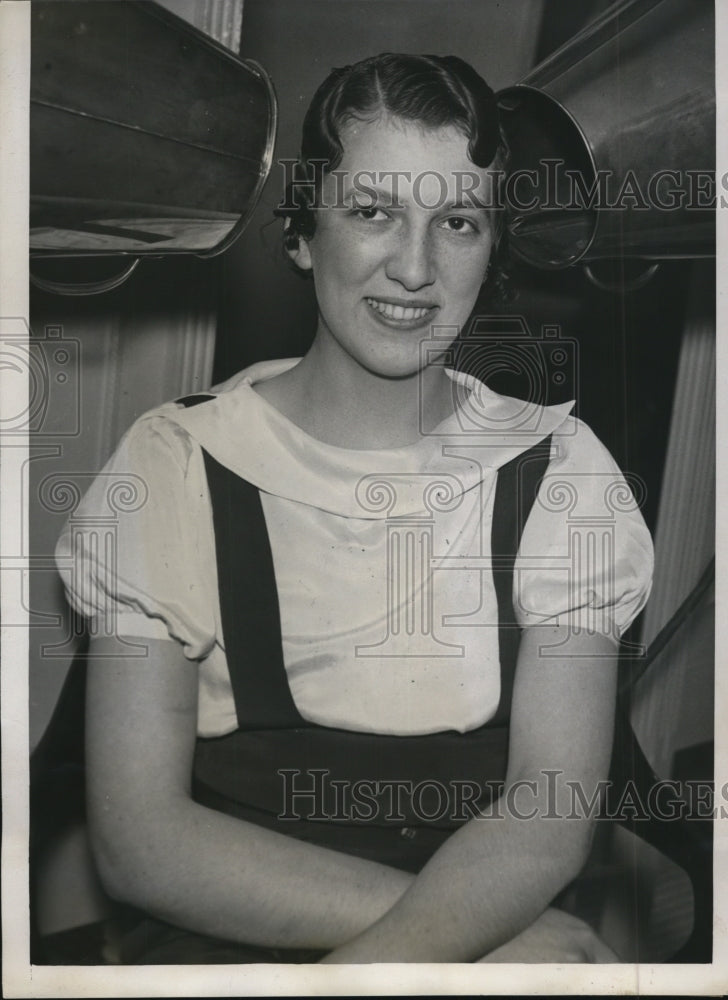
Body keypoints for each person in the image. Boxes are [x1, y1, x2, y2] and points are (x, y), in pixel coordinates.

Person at [55, 53, 653, 964]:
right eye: (372, 212)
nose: (413, 268)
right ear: (302, 232)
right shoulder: (173, 463)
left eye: (457, 220)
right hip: (240, 944)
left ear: (493, 249)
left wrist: (376, 972)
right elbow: (143, 846)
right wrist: (476, 939)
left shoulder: (562, 471)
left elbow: (546, 817)